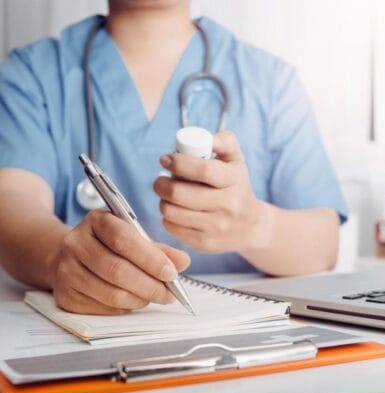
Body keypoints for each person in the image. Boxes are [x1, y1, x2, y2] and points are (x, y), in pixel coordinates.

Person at [0, 0, 347, 315]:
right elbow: (11, 202)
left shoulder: (271, 81)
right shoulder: (32, 74)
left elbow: (323, 242)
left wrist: (256, 225)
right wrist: (59, 257)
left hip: (242, 344)